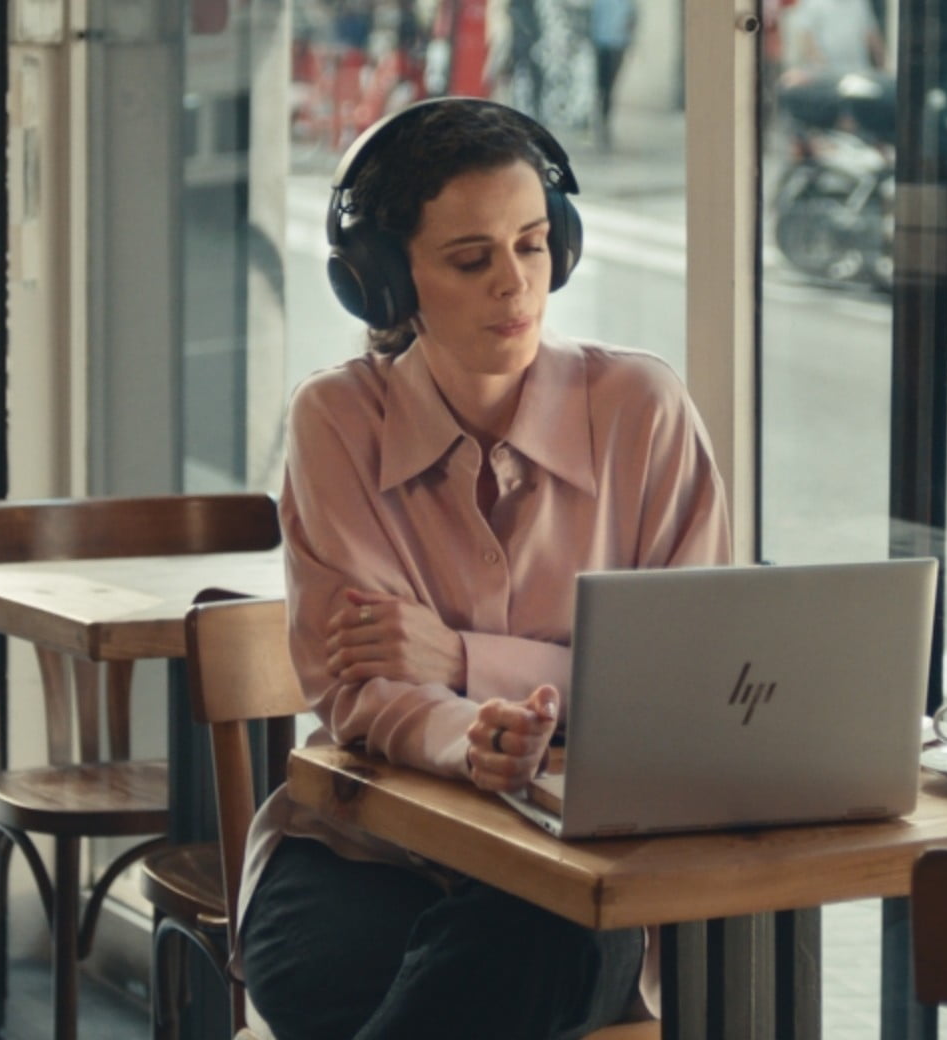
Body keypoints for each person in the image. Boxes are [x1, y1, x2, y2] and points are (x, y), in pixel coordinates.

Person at [237, 98, 729, 1040]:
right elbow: (359, 684)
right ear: (386, 282)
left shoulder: (643, 410)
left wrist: (463, 662)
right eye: (471, 260)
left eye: (535, 245)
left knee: (522, 949)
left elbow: (689, 690)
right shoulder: (337, 421)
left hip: (580, 869)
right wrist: (473, 737)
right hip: (367, 847)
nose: (517, 286)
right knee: (334, 978)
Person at [586, 0, 632, 148]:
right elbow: (592, 20)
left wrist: (627, 40)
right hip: (602, 46)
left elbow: (631, 20)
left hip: (617, 46)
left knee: (610, 86)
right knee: (602, 86)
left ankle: (605, 119)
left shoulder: (625, 3)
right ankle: (600, 119)